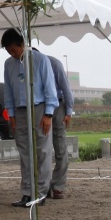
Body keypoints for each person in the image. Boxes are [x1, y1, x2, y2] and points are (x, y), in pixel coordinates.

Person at [1, 28, 58, 207]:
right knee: (25, 152)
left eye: (13, 49)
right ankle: (27, 192)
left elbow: (50, 88)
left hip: (39, 109)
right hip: (20, 111)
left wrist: (48, 114)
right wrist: (11, 114)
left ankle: (40, 192)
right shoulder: (9, 64)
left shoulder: (40, 60)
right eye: (8, 51)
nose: (12, 54)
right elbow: (8, 91)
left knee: (42, 151)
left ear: (22, 44)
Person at [44, 53, 75, 198]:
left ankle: (58, 186)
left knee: (60, 147)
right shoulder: (23, 64)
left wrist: (68, 111)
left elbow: (66, 88)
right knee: (42, 148)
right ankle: (43, 184)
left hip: (57, 106)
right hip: (39, 106)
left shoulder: (54, 63)